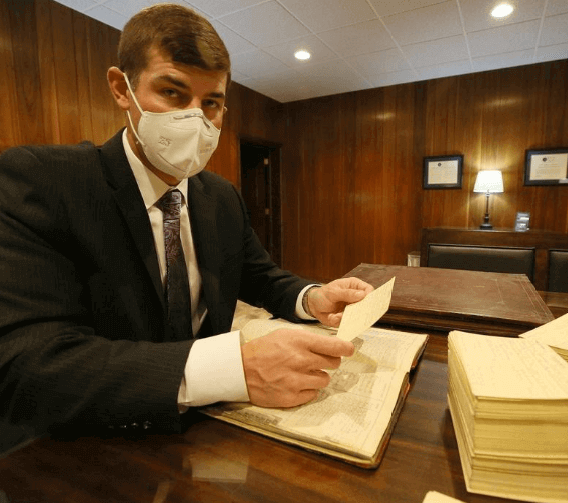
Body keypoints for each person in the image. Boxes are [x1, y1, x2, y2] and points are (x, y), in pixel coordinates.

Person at [0, 3, 373, 441]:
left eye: (211, 103)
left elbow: (258, 276)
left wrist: (311, 298)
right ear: (123, 89)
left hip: (208, 431)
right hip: (91, 444)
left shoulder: (221, 196)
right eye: (173, 93)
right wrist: (233, 368)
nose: (195, 119)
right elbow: (25, 364)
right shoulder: (43, 182)